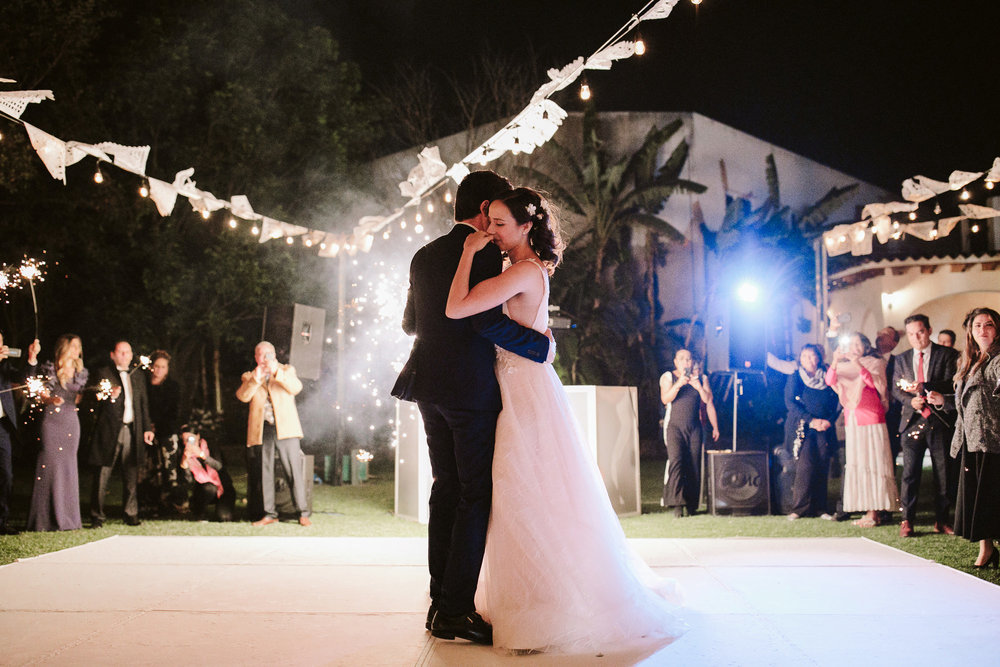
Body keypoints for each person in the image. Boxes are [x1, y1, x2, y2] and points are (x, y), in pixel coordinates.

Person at [446, 187, 685, 653]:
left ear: (526, 226)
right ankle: (529, 600)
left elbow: (458, 308)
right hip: (519, 383)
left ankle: (545, 606)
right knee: (524, 490)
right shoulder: (522, 269)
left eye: (498, 223)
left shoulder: (524, 270)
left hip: (525, 390)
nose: (488, 231)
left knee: (525, 489)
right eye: (487, 223)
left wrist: (466, 252)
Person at [392, 170, 553, 646]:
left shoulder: (423, 255)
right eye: (496, 213)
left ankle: (440, 599)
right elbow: (482, 319)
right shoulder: (486, 254)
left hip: (427, 386)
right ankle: (455, 612)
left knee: (445, 489)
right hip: (470, 391)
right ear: (485, 210)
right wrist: (539, 347)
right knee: (473, 495)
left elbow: (409, 323)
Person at [891, 314, 959, 538]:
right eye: (911, 334)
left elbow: (951, 381)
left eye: (919, 332)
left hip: (939, 421)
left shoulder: (946, 354)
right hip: (912, 421)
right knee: (909, 474)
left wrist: (924, 387)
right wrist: (910, 400)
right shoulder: (901, 358)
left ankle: (942, 520)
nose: (916, 337)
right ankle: (907, 520)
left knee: (943, 474)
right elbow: (896, 389)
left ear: (929, 330)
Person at [826, 333, 899, 528]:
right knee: (859, 464)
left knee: (874, 463)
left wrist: (858, 364)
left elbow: (876, 384)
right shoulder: (843, 364)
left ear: (865, 346)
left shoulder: (875, 362)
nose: (855, 347)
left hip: (872, 417)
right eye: (852, 344)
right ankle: (867, 509)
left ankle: (875, 512)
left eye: (859, 344)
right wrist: (835, 360)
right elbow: (830, 380)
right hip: (853, 419)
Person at [236, 341, 311, 527]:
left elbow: (296, 388)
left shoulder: (286, 370)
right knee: (265, 471)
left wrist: (275, 371)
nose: (265, 358)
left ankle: (302, 512)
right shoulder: (250, 376)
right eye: (261, 355)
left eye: (269, 354)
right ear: (256, 357)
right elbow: (243, 396)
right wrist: (256, 378)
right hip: (264, 429)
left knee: (293, 470)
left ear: (275, 355)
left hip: (286, 428)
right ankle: (269, 514)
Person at [949, 308, 1000, 569]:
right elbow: (968, 401)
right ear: (970, 331)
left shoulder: (999, 359)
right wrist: (943, 401)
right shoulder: (970, 360)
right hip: (972, 439)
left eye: (988, 324)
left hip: (993, 439)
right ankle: (987, 549)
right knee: (981, 498)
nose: (982, 330)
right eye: (977, 325)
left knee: (993, 496)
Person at [88, 340, 155, 527]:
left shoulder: (138, 376)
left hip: (131, 429)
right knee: (103, 472)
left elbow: (143, 404)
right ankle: (97, 515)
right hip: (109, 430)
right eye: (121, 352)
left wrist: (147, 428)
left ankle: (130, 513)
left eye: (128, 352)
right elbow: (92, 397)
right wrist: (110, 396)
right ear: (113, 354)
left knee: (131, 473)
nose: (125, 355)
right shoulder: (104, 373)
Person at [26, 335, 86, 531]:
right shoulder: (50, 368)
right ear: (64, 348)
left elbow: (81, 397)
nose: (78, 350)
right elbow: (41, 394)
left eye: (79, 346)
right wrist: (50, 400)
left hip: (71, 421)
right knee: (49, 466)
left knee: (68, 467)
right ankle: (43, 520)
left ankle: (68, 519)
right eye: (74, 346)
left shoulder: (81, 372)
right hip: (52, 421)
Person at [784, 344, 841, 520]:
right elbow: (790, 403)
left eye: (812, 356)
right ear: (800, 359)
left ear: (819, 358)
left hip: (824, 427)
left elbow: (839, 400)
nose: (809, 360)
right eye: (805, 356)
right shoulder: (796, 377)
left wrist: (829, 421)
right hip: (804, 428)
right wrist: (811, 420)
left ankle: (821, 508)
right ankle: (800, 508)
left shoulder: (829, 377)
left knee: (823, 463)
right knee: (806, 464)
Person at [660, 349, 719, 517]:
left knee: (693, 464)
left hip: (694, 427)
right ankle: (677, 504)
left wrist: (698, 386)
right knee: (676, 461)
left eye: (689, 359)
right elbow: (665, 399)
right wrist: (679, 384)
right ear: (676, 362)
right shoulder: (668, 377)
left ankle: (692, 504)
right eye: (682, 359)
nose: (686, 362)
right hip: (674, 427)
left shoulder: (701, 378)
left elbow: (708, 400)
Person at [0, 333, 40, 534]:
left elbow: (24, 377)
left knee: (5, 474)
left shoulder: (4, 366)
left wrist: (32, 357)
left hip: (2, 427)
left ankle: (2, 521)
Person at [144, 350, 184, 514]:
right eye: (156, 366)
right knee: (150, 469)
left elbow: (174, 412)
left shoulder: (173, 387)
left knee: (169, 470)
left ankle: (172, 504)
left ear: (167, 369)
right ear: (151, 367)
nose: (159, 370)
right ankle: (151, 504)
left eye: (163, 367)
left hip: (166, 432)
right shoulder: (144, 386)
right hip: (147, 433)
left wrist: (158, 425)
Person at [179, 430, 235, 522]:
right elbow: (187, 481)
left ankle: (222, 508)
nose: (188, 442)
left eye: (190, 439)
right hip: (204, 491)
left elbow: (220, 467)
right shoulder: (183, 452)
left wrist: (202, 455)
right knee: (209, 488)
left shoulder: (210, 446)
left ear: (198, 436)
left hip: (224, 488)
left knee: (224, 518)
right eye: (185, 440)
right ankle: (200, 512)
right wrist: (185, 460)